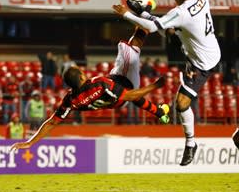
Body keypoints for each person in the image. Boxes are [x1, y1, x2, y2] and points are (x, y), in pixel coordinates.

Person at [112, 0, 221, 166]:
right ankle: (149, 15)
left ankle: (191, 143)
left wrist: (127, 15)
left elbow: (153, 28)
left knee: (181, 104)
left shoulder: (181, 11)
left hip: (201, 63)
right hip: (210, 50)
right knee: (167, 26)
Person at [11, 26, 171, 152]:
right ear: (81, 77)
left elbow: (52, 122)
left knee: (127, 50)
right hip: (127, 84)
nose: (83, 71)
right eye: (81, 71)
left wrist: (30, 142)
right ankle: (144, 18)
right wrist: (155, 85)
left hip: (115, 81)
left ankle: (160, 113)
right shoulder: (99, 84)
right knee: (130, 50)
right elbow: (129, 96)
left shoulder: (71, 100)